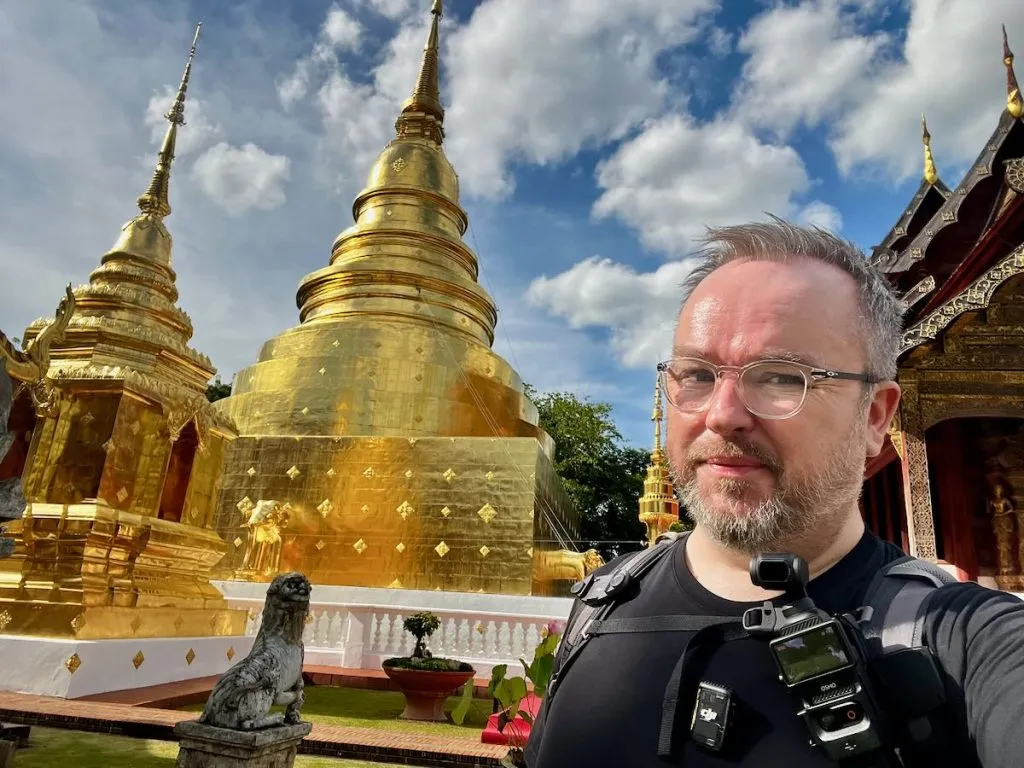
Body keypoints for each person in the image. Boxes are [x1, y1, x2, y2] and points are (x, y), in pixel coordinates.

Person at [524, 218, 1024, 767]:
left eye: (783, 377)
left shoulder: (968, 643)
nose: (723, 415)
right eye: (696, 374)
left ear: (875, 416)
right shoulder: (600, 605)